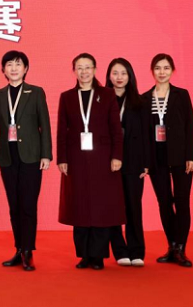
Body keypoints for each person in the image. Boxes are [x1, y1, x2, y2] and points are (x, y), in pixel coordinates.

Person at [57, 53, 125, 270]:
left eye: (88, 67)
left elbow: (116, 129)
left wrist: (117, 156)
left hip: (103, 158)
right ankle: (84, 255)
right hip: (76, 158)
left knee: (100, 206)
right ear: (74, 71)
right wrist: (62, 158)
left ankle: (98, 256)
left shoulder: (107, 94)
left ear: (95, 70)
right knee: (79, 206)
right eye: (79, 68)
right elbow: (61, 131)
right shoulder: (67, 97)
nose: (84, 72)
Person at [0, 51, 52, 271]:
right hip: (7, 157)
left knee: (28, 205)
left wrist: (46, 154)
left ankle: (28, 251)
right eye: (9, 65)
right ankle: (18, 248)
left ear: (26, 69)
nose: (13, 68)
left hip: (31, 156)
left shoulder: (36, 92)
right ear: (3, 70)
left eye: (18, 64)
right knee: (14, 206)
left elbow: (45, 125)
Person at [143, 53, 193, 268]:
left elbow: (190, 126)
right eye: (158, 68)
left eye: (166, 68)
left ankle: (181, 248)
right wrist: (145, 161)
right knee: (164, 202)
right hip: (156, 158)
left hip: (181, 156)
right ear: (152, 71)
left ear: (172, 70)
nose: (162, 72)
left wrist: (192, 156)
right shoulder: (144, 98)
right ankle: (172, 245)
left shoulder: (181, 95)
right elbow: (143, 133)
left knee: (182, 201)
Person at [106, 58, 152, 267]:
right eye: (115, 73)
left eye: (123, 73)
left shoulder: (140, 102)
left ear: (130, 76)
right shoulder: (102, 101)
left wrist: (146, 163)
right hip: (109, 162)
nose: (119, 77)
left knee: (134, 206)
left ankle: (137, 250)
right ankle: (119, 250)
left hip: (134, 162)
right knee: (113, 207)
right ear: (109, 76)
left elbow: (146, 135)